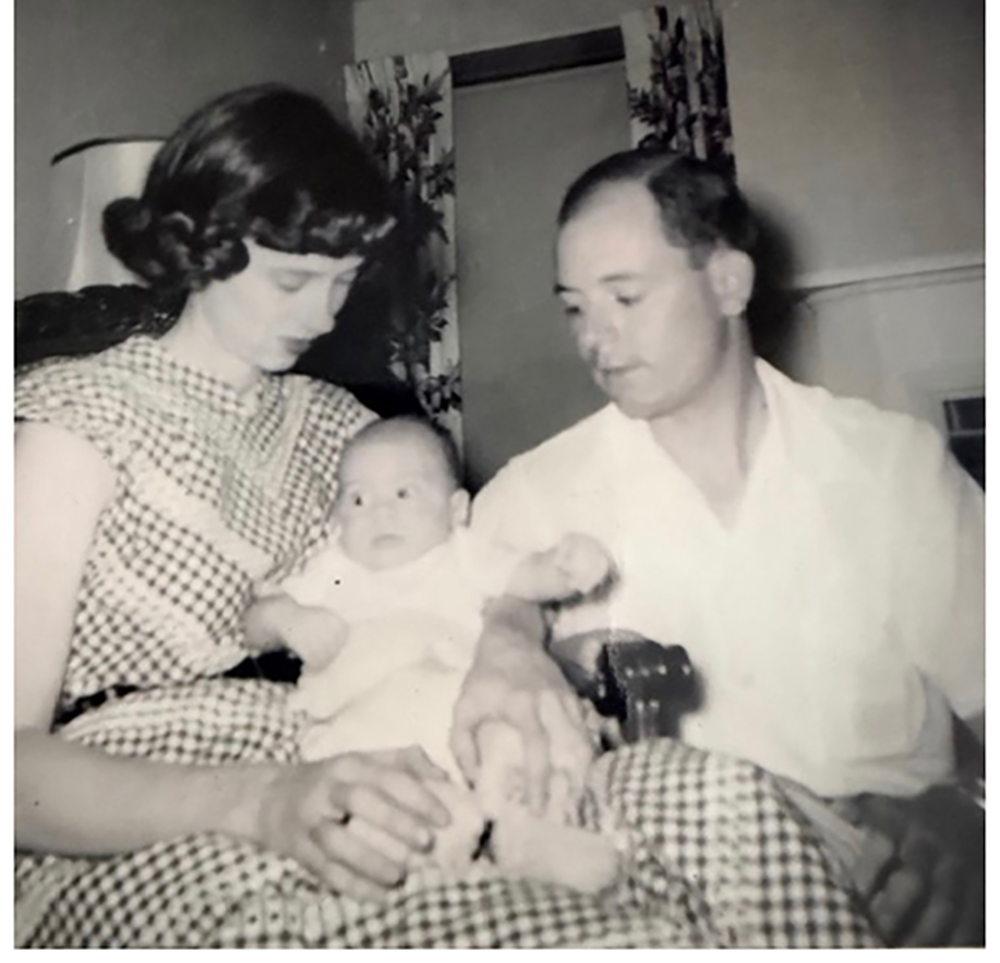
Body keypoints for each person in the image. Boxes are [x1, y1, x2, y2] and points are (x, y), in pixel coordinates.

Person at [14, 88, 876, 948]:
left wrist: (513, 647)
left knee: (726, 809)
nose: (322, 315)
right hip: (144, 819)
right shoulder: (80, 421)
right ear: (200, 244)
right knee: (564, 936)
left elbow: (466, 576)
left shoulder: (342, 428)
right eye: (293, 280)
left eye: (343, 282)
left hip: (361, 746)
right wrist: (263, 800)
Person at [453, 147, 985, 947]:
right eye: (574, 308)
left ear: (729, 283)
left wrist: (966, 819)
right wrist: (507, 641)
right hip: (660, 916)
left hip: (894, 906)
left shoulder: (889, 469)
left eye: (625, 297)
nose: (594, 336)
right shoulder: (531, 499)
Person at [244, 415, 620, 892]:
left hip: (463, 716)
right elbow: (254, 623)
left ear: (456, 510)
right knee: (363, 793)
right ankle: (419, 861)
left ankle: (531, 835)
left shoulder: (463, 553)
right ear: (337, 519)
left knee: (522, 741)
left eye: (404, 494)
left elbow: (526, 578)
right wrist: (288, 620)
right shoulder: (333, 572)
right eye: (358, 499)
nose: (380, 512)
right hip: (369, 722)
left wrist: (566, 567)